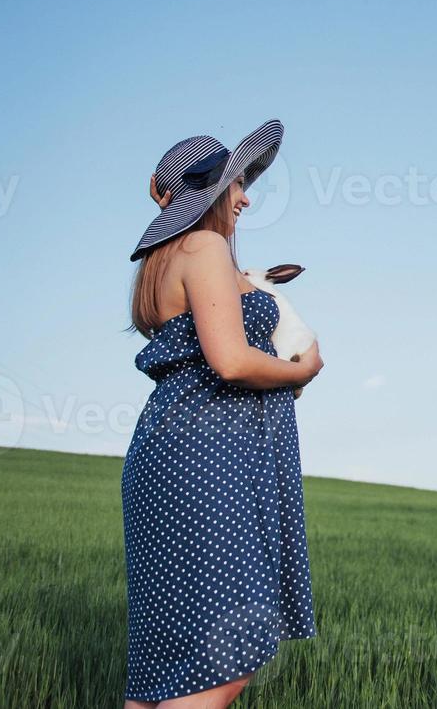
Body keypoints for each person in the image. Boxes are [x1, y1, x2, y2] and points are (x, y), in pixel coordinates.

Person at [121, 120, 323, 708]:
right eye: (235, 184)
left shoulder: (160, 264)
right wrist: (304, 370)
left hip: (179, 447)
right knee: (229, 647)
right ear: (207, 192)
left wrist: (283, 375)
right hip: (208, 455)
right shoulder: (204, 248)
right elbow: (232, 363)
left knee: (167, 656)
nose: (245, 196)